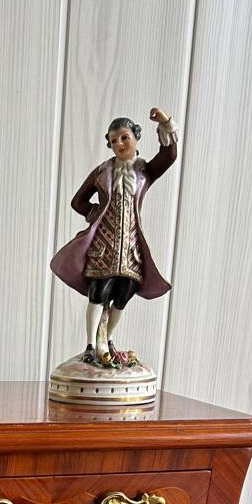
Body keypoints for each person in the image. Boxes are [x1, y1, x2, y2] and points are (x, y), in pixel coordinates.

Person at [51, 108, 178, 367]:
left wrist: (165, 123)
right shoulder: (102, 172)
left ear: (135, 138)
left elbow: (169, 156)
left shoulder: (144, 171)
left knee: (123, 294)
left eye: (124, 137)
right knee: (98, 294)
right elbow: (78, 201)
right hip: (104, 245)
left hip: (130, 248)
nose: (119, 144)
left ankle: (107, 339)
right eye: (114, 140)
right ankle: (90, 345)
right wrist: (95, 213)